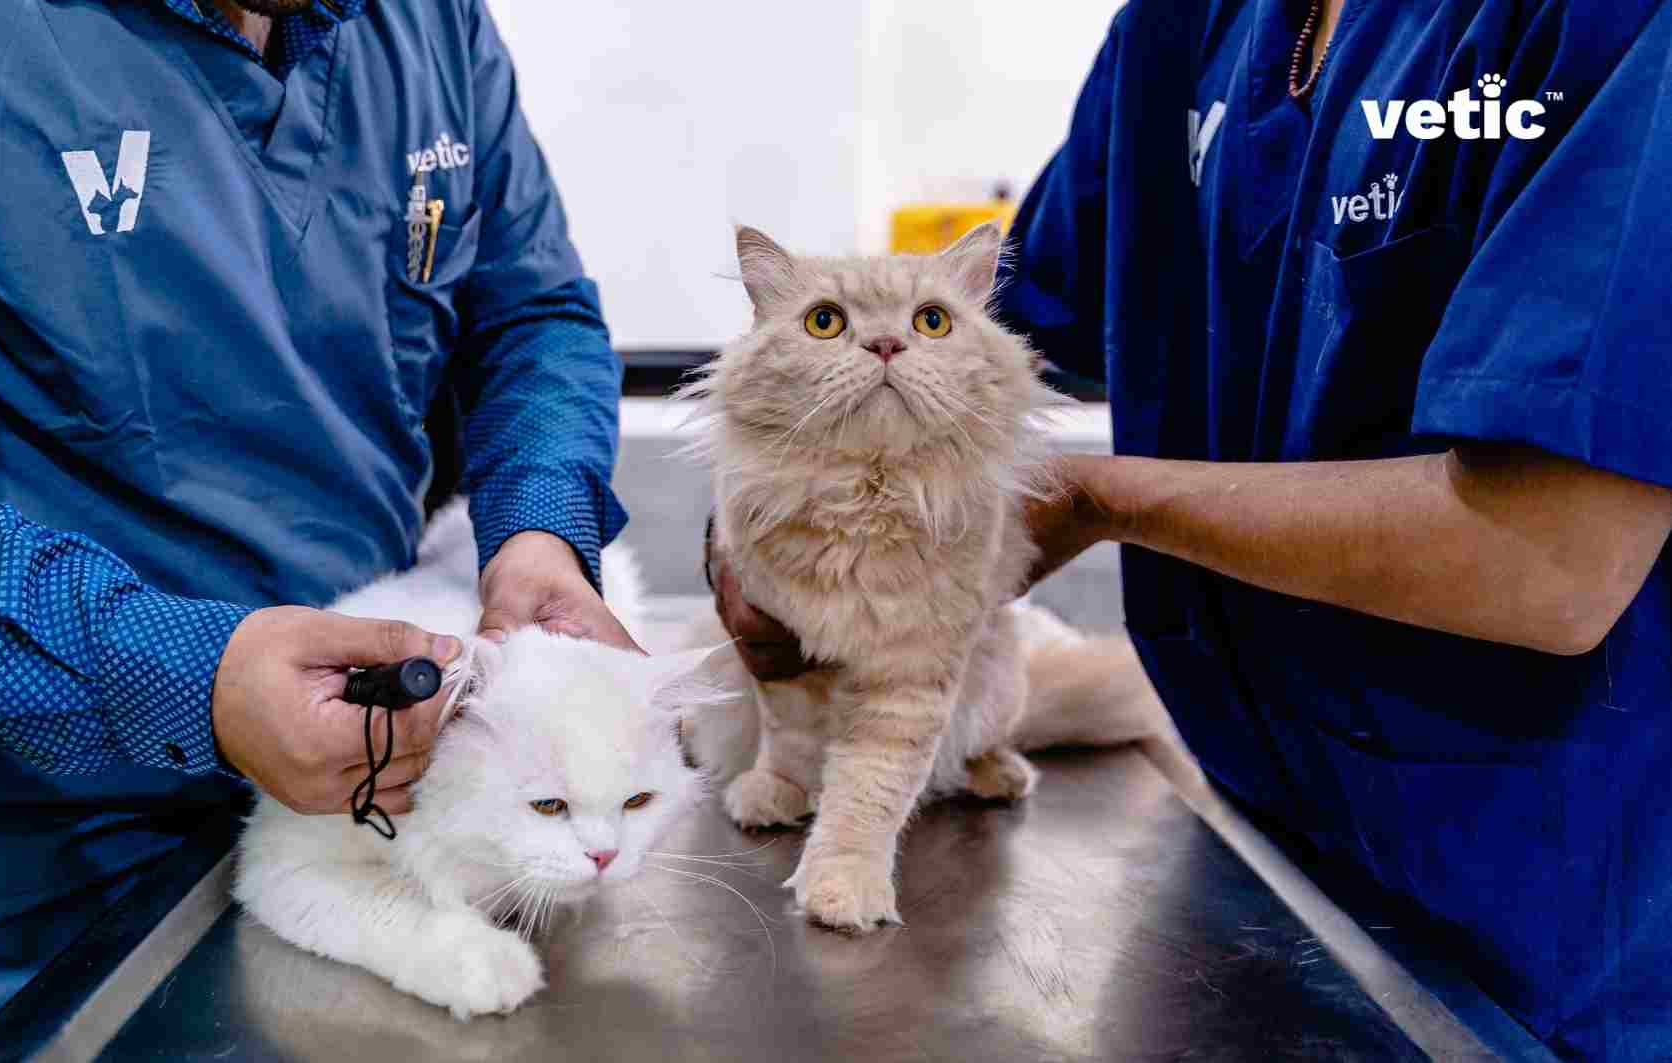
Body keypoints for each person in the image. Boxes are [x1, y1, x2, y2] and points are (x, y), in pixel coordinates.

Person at [713, 1, 1672, 1058]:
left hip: (1552, 933)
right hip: (1259, 858)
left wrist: (1096, 497)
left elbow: (1551, 559)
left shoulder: (1608, 24)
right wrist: (765, 485)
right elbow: (976, 327)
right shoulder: (1183, 27)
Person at [0, 0, 637, 1058]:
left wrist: (538, 526)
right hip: (28, 940)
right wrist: (190, 676)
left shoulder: (430, 26)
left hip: (383, 870)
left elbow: (532, 317)